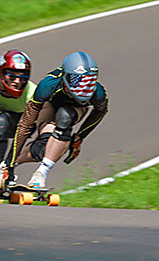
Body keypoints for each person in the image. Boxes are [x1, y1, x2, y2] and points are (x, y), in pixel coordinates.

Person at [2, 51, 108, 189]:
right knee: (43, 149)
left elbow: (100, 112)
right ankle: (6, 166)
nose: (83, 88)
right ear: (65, 77)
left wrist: (80, 137)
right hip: (49, 106)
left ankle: (41, 173)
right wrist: (9, 164)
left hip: (74, 110)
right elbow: (25, 125)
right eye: (77, 81)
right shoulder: (47, 85)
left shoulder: (98, 93)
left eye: (89, 82)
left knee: (65, 116)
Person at [0, 50, 36, 161]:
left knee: (1, 123)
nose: (17, 82)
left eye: (22, 78)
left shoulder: (32, 93)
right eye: (12, 77)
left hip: (23, 122)